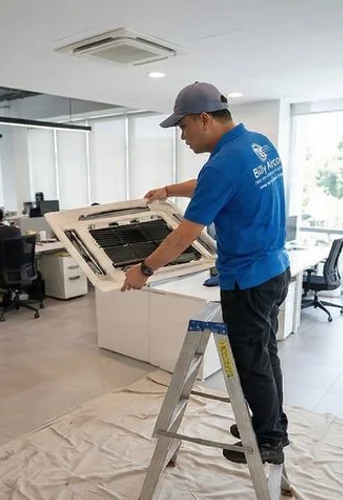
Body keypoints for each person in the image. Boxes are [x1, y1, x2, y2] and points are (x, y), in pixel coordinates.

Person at [129, 81, 291, 465]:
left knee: (252, 363)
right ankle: (273, 423)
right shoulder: (257, 144)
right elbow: (211, 185)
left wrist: (144, 269)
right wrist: (168, 189)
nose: (182, 136)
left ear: (204, 119)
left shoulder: (221, 164)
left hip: (247, 281)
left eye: (183, 127)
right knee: (267, 354)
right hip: (275, 270)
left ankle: (269, 441)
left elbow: (185, 235)